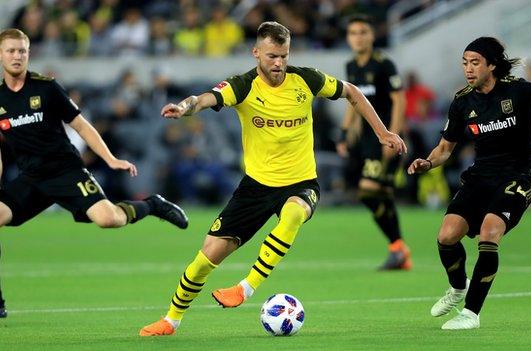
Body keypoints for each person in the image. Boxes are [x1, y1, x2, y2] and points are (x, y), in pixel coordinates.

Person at [139, 21, 406, 336]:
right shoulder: (243, 86)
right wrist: (185, 108)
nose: (278, 63)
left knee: (294, 213)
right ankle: (170, 320)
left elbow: (352, 92)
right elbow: (205, 98)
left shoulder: (306, 79)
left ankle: (246, 288)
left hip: (301, 183)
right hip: (255, 187)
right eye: (271, 56)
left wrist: (383, 132)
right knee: (206, 257)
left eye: (283, 55)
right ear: (256, 53)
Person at [0, 28, 188, 319]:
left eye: (22, 51)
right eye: (11, 51)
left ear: (29, 54)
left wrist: (109, 158)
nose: (17, 56)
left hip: (66, 171)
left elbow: (81, 126)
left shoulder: (46, 88)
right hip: (31, 178)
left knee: (109, 219)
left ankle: (153, 204)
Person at [407, 36, 531, 330]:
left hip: (518, 177)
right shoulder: (462, 102)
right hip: (480, 176)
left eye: (475, 63)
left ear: (492, 65)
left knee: (489, 231)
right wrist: (427, 162)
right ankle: (458, 288)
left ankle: (471, 313)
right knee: (446, 236)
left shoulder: (519, 90)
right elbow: (445, 149)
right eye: (465, 63)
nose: (468, 69)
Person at [336, 15, 411, 270]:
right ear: (348, 38)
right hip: (367, 139)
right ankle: (398, 251)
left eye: (363, 32)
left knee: (368, 191)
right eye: (353, 32)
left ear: (371, 36)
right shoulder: (352, 66)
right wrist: (345, 132)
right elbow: (353, 100)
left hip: (387, 137)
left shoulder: (383, 64)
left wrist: (391, 135)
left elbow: (399, 101)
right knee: (381, 194)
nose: (358, 37)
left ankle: (398, 248)